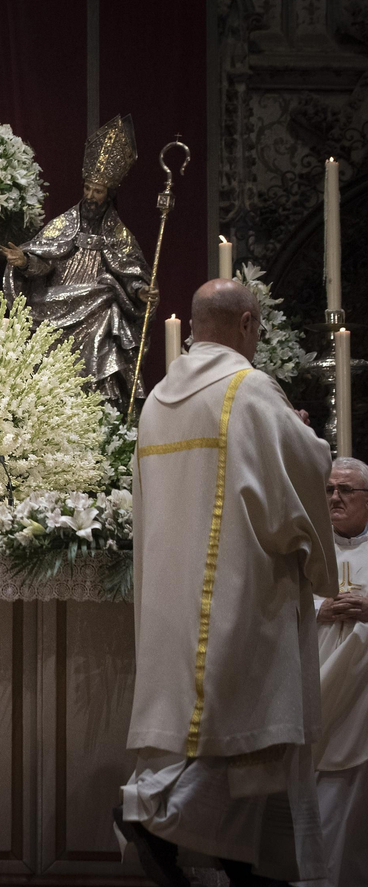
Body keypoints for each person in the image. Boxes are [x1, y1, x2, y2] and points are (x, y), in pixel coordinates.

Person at [117, 279, 334, 886]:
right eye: (257, 328)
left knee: (216, 737)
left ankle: (228, 857)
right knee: (244, 736)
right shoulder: (249, 388)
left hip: (172, 597)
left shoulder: (158, 399)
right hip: (244, 592)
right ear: (244, 324)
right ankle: (150, 815)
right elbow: (311, 466)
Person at [1, 114, 155, 402]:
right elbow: (46, 260)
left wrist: (140, 291)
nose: (90, 196)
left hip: (98, 302)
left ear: (109, 195)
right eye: (87, 188)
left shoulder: (120, 236)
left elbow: (131, 273)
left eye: (97, 191)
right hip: (56, 298)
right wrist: (24, 262)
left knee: (108, 305)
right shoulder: (64, 225)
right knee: (39, 321)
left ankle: (101, 405)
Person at [315, 457, 368, 885]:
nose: (336, 497)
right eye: (331, 489)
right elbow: (276, 601)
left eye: (347, 490)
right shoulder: (310, 546)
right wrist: (321, 608)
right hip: (316, 682)